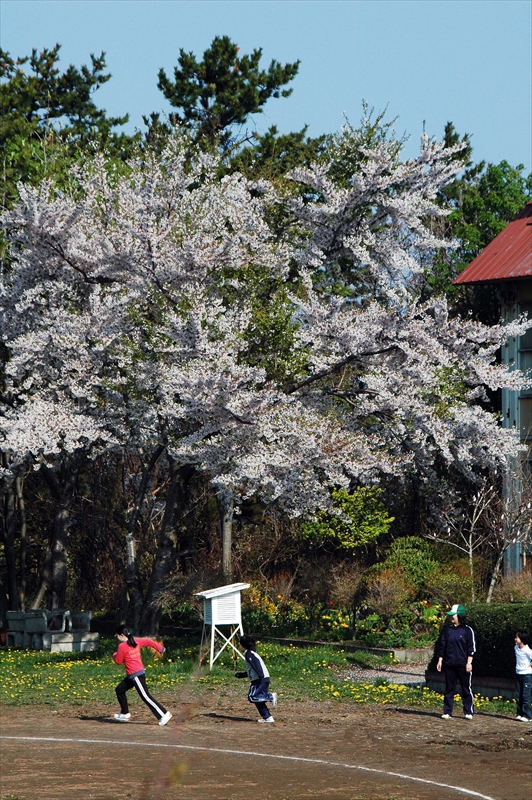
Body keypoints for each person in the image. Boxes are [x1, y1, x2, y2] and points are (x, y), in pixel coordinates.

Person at [112, 624, 172, 726]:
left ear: (121, 635)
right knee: (119, 690)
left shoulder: (122, 646)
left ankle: (164, 714)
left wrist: (114, 655)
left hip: (136, 675)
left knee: (146, 696)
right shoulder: (135, 641)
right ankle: (125, 713)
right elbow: (148, 641)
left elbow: (118, 661)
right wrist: (160, 648)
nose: (117, 637)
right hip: (132, 676)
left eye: (117, 635)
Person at [436, 603, 476, 720]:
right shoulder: (448, 630)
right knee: (449, 688)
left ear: (459, 616)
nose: (451, 617)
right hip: (450, 664)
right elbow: (442, 645)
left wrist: (469, 662)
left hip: (463, 664)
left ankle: (468, 711)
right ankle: (447, 711)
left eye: (453, 615)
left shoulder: (467, 631)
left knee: (465, 688)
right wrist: (440, 660)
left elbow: (471, 648)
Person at [235, 634, 277, 724]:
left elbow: (256, 665)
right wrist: (241, 675)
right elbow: (252, 670)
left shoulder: (249, 654)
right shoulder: (251, 654)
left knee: (253, 697)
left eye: (240, 644)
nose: (239, 646)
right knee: (259, 700)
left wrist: (260, 677)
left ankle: (270, 697)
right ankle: (268, 717)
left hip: (260, 680)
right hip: (262, 679)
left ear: (244, 645)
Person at [514, 630, 532, 722]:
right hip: (518, 674)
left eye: (517, 637)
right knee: (518, 695)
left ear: (522, 639)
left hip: (527, 675)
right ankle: (519, 713)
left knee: (526, 696)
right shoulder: (516, 648)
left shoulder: (528, 650)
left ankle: (527, 715)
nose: (515, 639)